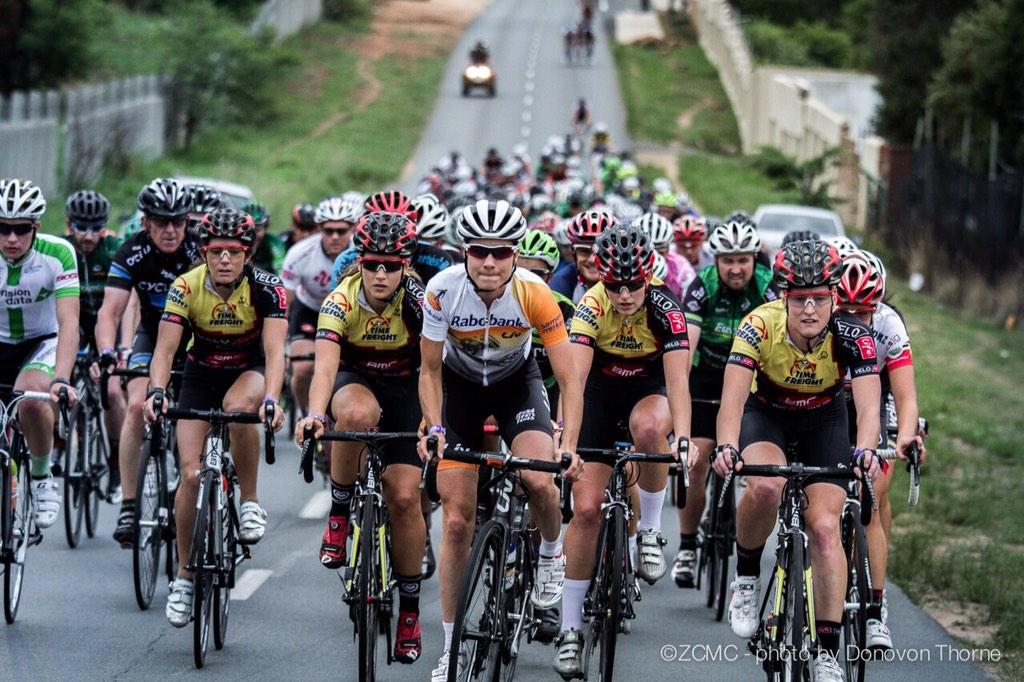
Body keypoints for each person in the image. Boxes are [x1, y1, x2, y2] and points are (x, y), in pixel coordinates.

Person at [416, 199, 584, 682]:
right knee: (455, 523)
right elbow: (428, 369)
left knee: (540, 479)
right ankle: (451, 649)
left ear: (513, 255)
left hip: (517, 385)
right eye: (479, 251)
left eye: (501, 252)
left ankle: (551, 554)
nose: (489, 262)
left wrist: (567, 442)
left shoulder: (535, 294)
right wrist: (435, 426)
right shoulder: (441, 291)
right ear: (463, 252)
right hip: (459, 389)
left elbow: (569, 380)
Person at [712, 239, 882, 682]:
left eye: (820, 299)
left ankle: (826, 648)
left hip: (824, 420)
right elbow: (731, 401)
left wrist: (864, 451)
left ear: (834, 299)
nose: (810, 309)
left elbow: (866, 411)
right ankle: (746, 578)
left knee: (825, 529)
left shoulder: (854, 336)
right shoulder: (757, 326)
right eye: (799, 299)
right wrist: (727, 446)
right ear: (781, 298)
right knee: (766, 486)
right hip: (766, 413)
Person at [554, 224, 698, 677]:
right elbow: (573, 383)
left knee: (651, 426)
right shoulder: (591, 306)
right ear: (602, 278)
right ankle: (570, 629)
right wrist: (568, 446)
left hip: (648, 388)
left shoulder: (665, 308)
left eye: (634, 285)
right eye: (615, 285)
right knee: (588, 510)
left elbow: (678, 385)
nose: (625, 295)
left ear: (648, 276)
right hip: (598, 393)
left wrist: (685, 439)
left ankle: (651, 530)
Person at [295, 212, 427, 663]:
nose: (381, 274)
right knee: (352, 413)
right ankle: (338, 511)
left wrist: (435, 421)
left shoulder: (420, 301)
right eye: (372, 264)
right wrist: (314, 413)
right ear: (360, 262)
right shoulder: (340, 299)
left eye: (391, 265)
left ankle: (409, 611)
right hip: (356, 380)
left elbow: (434, 368)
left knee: (406, 499)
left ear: (406, 265)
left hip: (408, 387)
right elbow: (325, 367)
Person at [144, 208, 286, 627]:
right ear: (204, 252)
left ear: (248, 253)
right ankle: (185, 577)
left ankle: (250, 501)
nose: (225, 259)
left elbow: (277, 351)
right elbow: (165, 352)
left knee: (239, 409)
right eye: (216, 251)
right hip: (201, 374)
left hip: (249, 370)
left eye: (234, 252)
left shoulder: (268, 289)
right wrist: (156, 390)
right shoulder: (185, 287)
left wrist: (273, 399)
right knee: (190, 476)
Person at [671, 219, 777, 587]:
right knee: (697, 459)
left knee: (753, 465)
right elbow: (687, 345)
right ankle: (687, 546)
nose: (735, 268)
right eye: (728, 260)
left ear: (755, 259)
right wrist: (678, 395)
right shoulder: (702, 286)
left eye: (743, 261)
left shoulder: (769, 286)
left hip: (751, 379)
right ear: (715, 261)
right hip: (707, 375)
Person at [96, 178, 201, 546]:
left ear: (188, 221)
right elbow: (110, 312)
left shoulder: (200, 249)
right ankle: (128, 502)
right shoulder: (132, 252)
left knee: (193, 414)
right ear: (145, 223)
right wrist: (108, 353)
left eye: (178, 221)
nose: (170, 229)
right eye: (160, 221)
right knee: (137, 405)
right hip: (154, 336)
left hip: (198, 341)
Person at [836, 250, 926, 653]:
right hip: (832, 403)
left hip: (879, 401)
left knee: (872, 489)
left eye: (864, 309)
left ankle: (875, 609)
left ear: (880, 302)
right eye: (847, 309)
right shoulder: (821, 320)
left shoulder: (889, 324)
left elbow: (906, 397)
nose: (855, 318)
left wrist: (906, 437)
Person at [0, 178, 80, 529]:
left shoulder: (58, 253)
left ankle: (42, 475)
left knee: (32, 398)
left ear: (36, 227)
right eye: (2, 229)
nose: (11, 239)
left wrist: (61, 378)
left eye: (20, 229)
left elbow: (69, 321)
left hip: (41, 341)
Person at [65, 189, 127, 496]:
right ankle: (66, 445)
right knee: (60, 383)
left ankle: (117, 461)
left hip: (107, 321)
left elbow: (123, 305)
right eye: (81, 227)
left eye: (96, 228)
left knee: (112, 392)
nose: (88, 236)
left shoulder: (114, 250)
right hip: (74, 320)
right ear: (69, 225)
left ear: (105, 227)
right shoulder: (62, 251)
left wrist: (111, 351)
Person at [282, 195, 360, 418]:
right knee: (303, 368)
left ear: (352, 229)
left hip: (347, 314)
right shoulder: (300, 253)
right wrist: (283, 344)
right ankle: (307, 414)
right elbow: (285, 303)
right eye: (328, 231)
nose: (335, 236)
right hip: (310, 309)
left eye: (342, 230)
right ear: (319, 228)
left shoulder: (360, 253)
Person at [549, 209, 616, 302]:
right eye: (584, 251)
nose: (592, 260)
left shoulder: (631, 284)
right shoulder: (560, 283)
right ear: (574, 253)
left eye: (602, 251)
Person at [633, 212, 695, 298]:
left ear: (669, 249)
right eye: (644, 252)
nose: (654, 257)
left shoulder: (682, 269)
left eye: (660, 252)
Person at [243, 202, 286, 275]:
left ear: (266, 228)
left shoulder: (274, 243)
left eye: (257, 230)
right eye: (247, 229)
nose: (253, 235)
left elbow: (280, 271)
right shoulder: (236, 242)